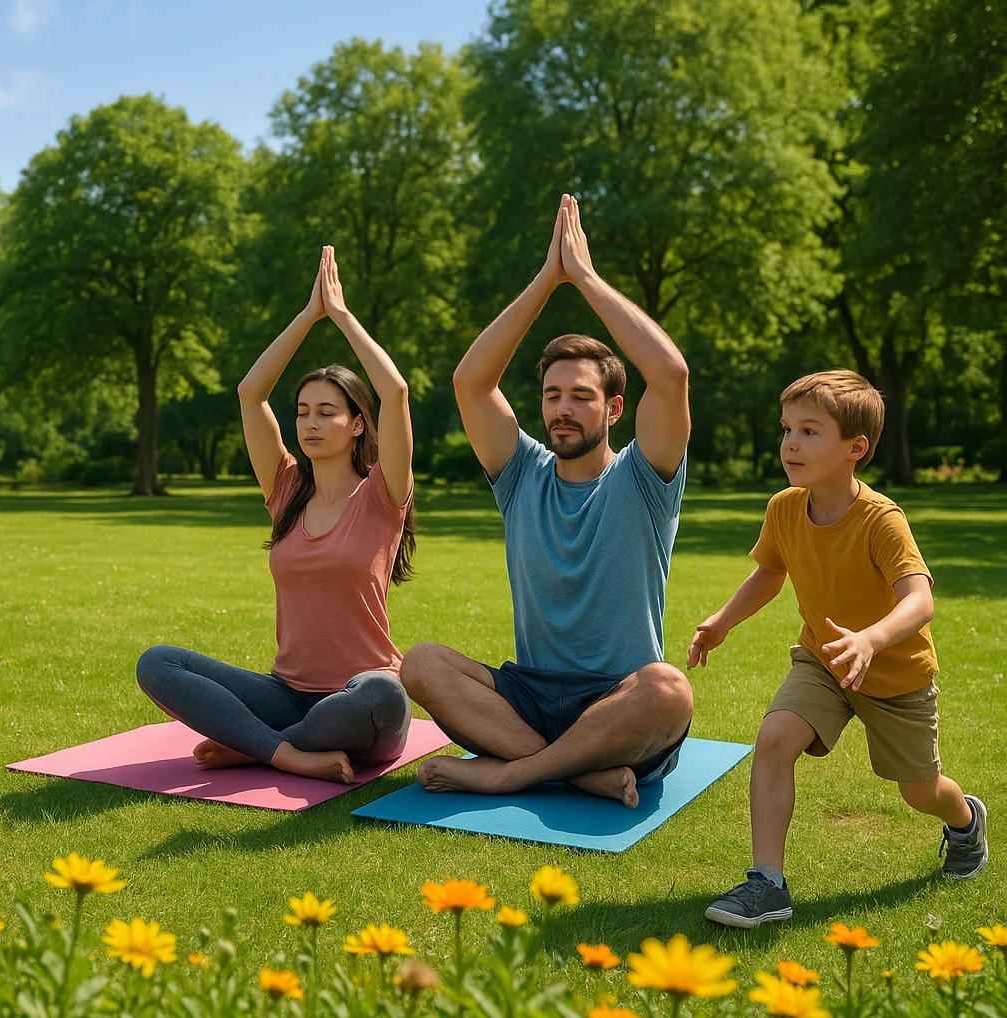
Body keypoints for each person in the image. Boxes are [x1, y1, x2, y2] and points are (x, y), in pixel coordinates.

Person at [401, 194, 694, 807]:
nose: (563, 408)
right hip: (530, 695)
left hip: (618, 699)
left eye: (581, 396)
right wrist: (545, 279)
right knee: (421, 663)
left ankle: (513, 771)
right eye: (553, 394)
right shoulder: (522, 474)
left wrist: (583, 278)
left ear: (615, 409)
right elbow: (470, 382)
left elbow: (669, 375)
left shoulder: (645, 478)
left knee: (669, 691)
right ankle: (574, 771)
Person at [691, 370, 987, 928]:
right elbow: (769, 573)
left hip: (896, 674)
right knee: (775, 738)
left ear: (856, 449)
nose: (791, 444)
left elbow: (920, 600)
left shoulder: (881, 519)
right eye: (787, 429)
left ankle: (966, 818)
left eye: (809, 430)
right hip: (825, 660)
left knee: (920, 792)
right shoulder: (784, 507)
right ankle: (767, 883)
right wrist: (723, 621)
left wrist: (872, 638)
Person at [136, 246, 414, 784]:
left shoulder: (384, 492)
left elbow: (396, 393)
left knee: (379, 694)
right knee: (158, 662)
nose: (310, 423)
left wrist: (341, 316)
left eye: (327, 412)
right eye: (303, 412)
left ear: (358, 424)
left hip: (364, 700)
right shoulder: (287, 490)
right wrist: (308, 316)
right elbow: (250, 393)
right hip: (285, 695)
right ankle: (286, 753)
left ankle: (255, 746)